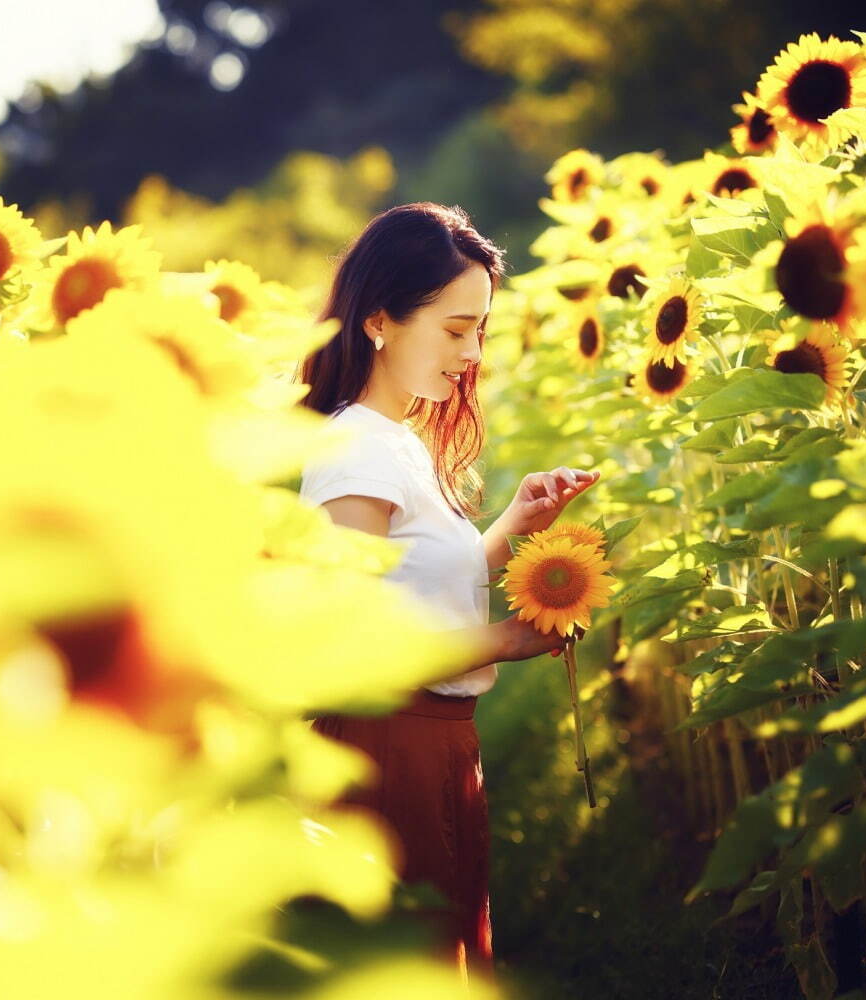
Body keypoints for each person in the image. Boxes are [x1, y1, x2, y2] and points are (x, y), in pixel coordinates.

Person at [295, 202, 599, 985]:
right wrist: (503, 641)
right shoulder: (355, 452)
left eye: (480, 331)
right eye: (455, 329)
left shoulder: (394, 438)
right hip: (388, 750)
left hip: (435, 747)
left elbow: (409, 592)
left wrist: (509, 527)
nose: (471, 353)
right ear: (380, 322)